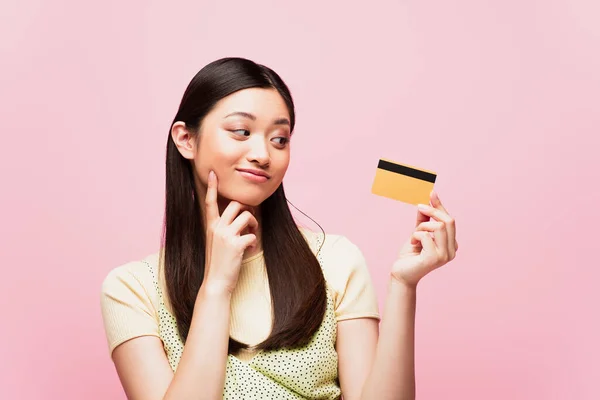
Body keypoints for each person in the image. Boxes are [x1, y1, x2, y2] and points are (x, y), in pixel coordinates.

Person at [100, 57, 459, 400]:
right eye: (242, 131)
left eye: (279, 139)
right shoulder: (132, 289)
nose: (263, 154)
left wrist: (403, 285)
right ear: (185, 139)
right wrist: (217, 284)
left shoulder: (334, 260)